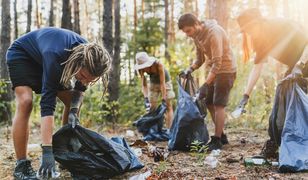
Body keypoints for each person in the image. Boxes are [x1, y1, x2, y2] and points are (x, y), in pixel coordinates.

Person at [6, 27, 112, 179]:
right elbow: (47, 104)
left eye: (90, 80)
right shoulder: (57, 55)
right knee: (26, 102)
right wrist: (47, 151)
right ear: (77, 62)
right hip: (23, 55)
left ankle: (65, 150)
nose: (84, 81)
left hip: (52, 59)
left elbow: (79, 92)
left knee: (72, 101)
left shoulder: (93, 59)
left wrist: (74, 111)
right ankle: (21, 166)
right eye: (82, 76)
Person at [235, 8, 308, 158]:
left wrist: (300, 65)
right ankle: (273, 145)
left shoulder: (280, 25)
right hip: (295, 68)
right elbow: (257, 68)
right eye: (245, 30)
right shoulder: (259, 40)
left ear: (259, 22)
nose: (248, 32)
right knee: (281, 104)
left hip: (302, 63)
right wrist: (245, 96)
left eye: (250, 27)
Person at [178, 13, 237, 151]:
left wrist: (205, 84)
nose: (187, 34)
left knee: (218, 104)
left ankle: (216, 140)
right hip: (214, 71)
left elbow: (218, 62)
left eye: (188, 31)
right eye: (185, 32)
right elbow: (200, 59)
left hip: (226, 69)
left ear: (196, 24)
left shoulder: (213, 33)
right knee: (208, 102)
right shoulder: (197, 36)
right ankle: (221, 135)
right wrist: (190, 69)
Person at [134, 52, 175, 128]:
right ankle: (153, 129)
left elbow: (162, 83)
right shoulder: (141, 69)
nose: (144, 68)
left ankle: (170, 130)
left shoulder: (158, 64)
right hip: (153, 83)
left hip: (165, 82)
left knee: (168, 105)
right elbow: (144, 85)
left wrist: (163, 99)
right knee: (152, 107)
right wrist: (146, 98)